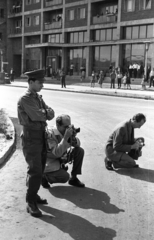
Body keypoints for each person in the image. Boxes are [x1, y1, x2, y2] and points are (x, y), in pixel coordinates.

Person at [17, 69, 55, 218]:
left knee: (39, 169)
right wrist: (44, 113)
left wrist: (44, 112)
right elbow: (37, 115)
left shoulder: (38, 98)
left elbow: (50, 113)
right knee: (35, 170)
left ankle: (34, 194)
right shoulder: (25, 99)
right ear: (31, 82)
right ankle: (30, 201)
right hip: (31, 138)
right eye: (40, 82)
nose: (42, 85)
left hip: (40, 137)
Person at [42, 114, 85, 188]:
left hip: (62, 156)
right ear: (58, 125)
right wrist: (65, 138)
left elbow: (78, 145)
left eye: (69, 126)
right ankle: (44, 177)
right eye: (65, 127)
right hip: (51, 160)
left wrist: (73, 138)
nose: (68, 129)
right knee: (64, 177)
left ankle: (74, 178)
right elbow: (56, 153)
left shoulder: (66, 132)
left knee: (79, 151)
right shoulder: (49, 134)